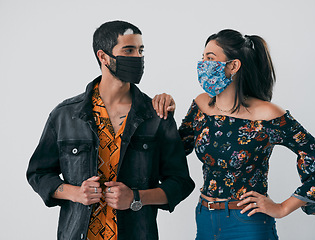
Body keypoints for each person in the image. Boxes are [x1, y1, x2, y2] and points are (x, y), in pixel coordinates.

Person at [152, 29, 315, 239]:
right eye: (202, 57)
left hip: (247, 222)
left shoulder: (268, 115)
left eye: (210, 58)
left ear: (233, 65)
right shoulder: (201, 105)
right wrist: (165, 114)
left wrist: (281, 208)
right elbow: (173, 152)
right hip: (205, 218)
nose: (203, 64)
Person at [26, 20, 195, 240]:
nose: (137, 57)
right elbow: (38, 173)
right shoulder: (66, 115)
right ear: (103, 56)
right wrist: (75, 193)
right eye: (128, 50)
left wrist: (136, 197)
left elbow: (180, 183)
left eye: (140, 50)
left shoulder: (156, 115)